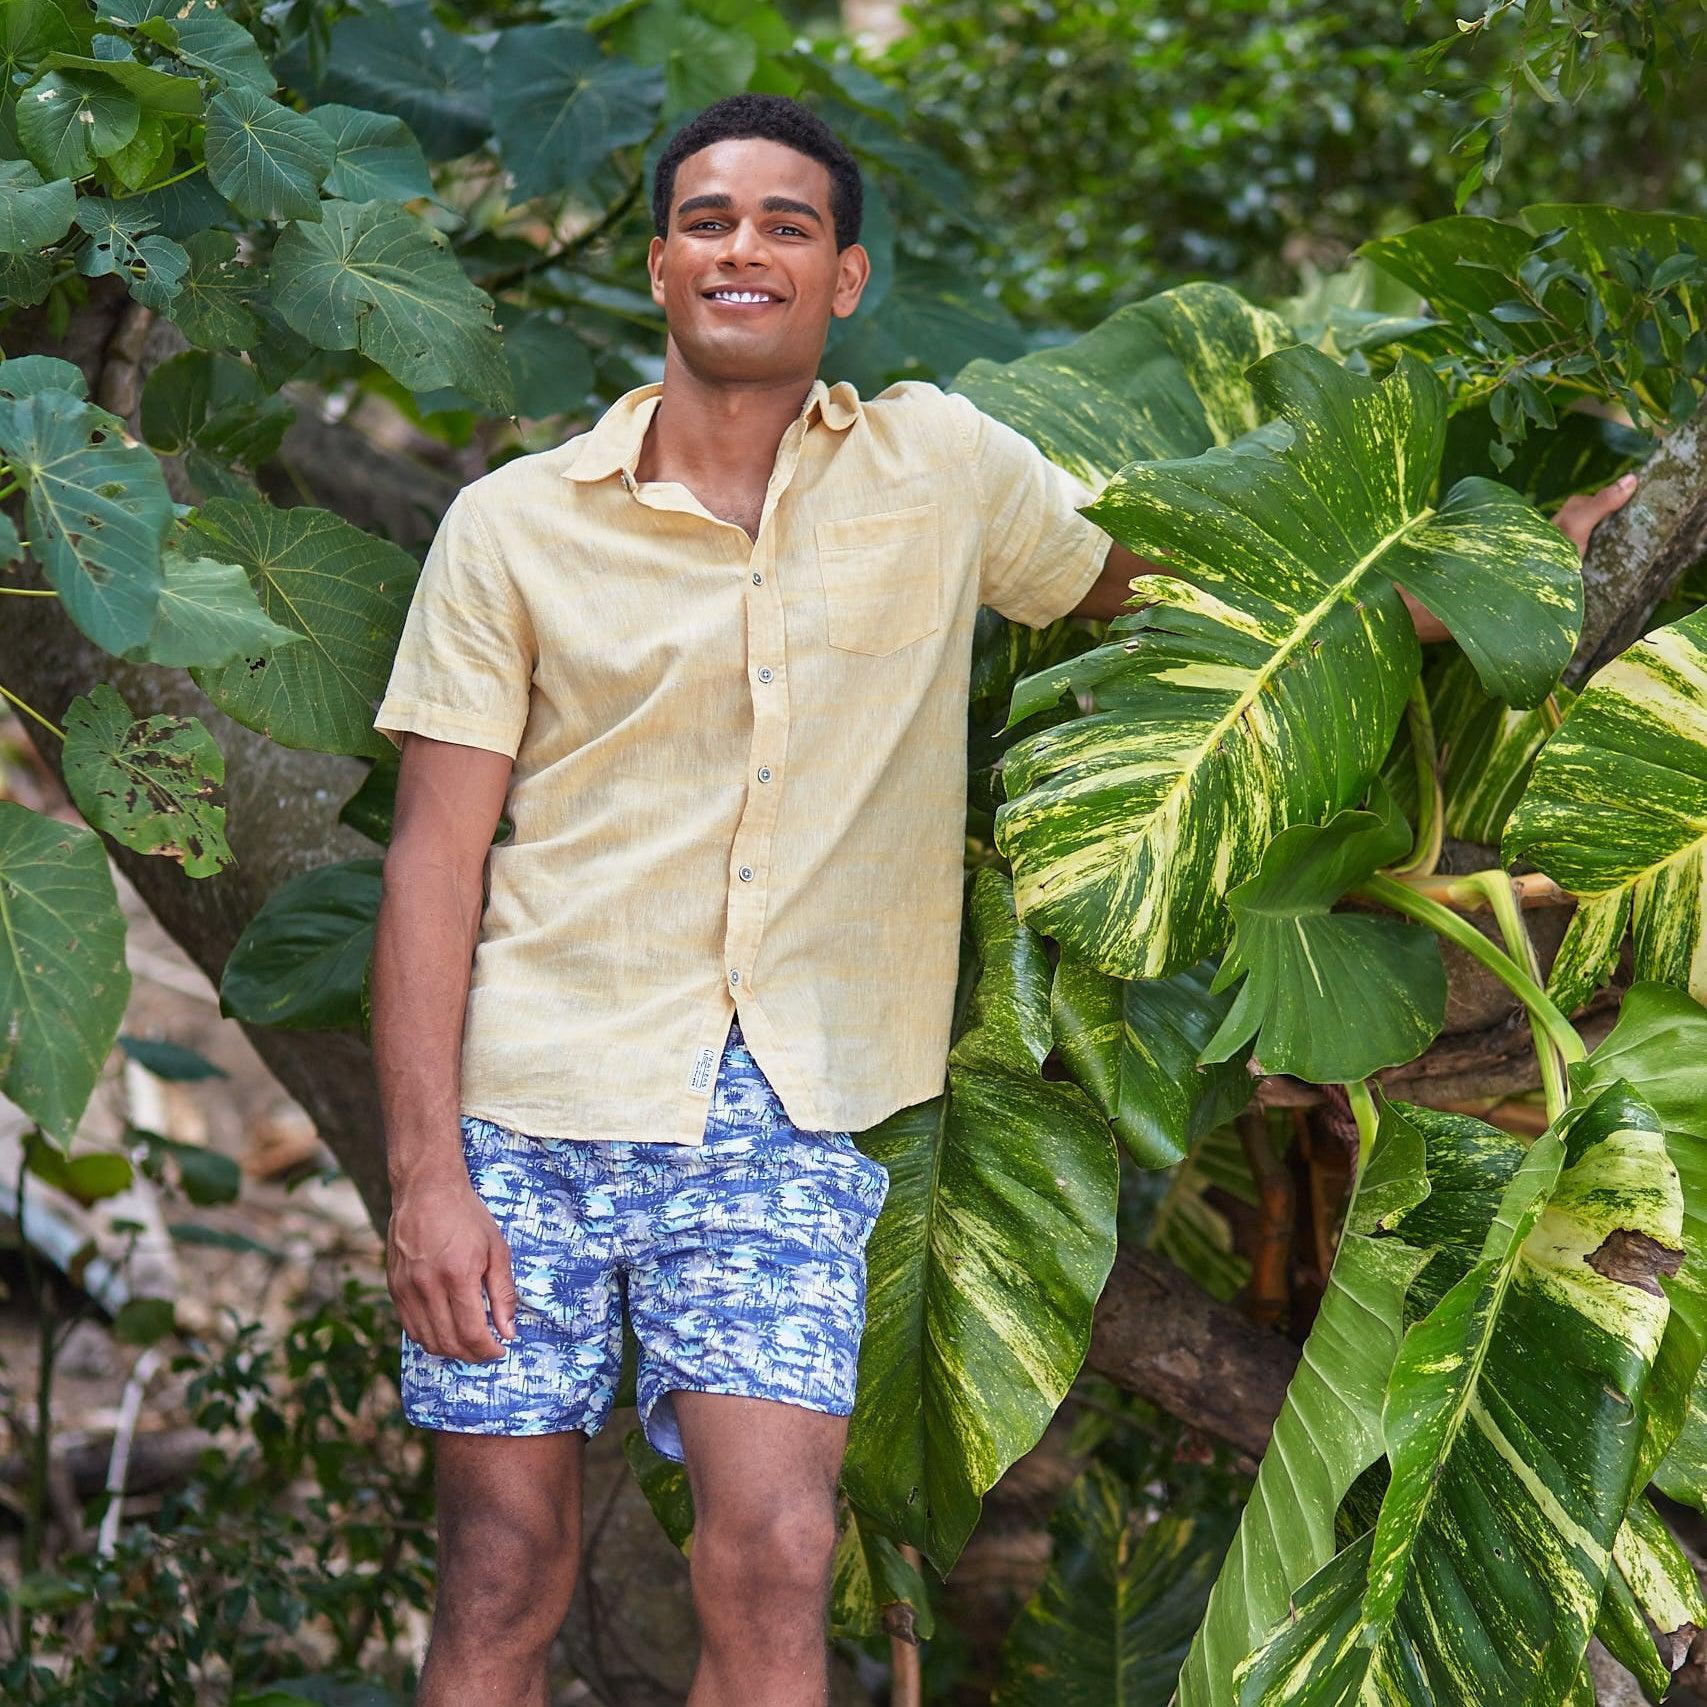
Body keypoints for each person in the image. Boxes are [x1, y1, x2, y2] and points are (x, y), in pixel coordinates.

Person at [367, 92, 1636, 1707]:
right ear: (659, 265)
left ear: (846, 278)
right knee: (498, 1572)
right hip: (530, 1106)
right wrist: (426, 1180)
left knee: (774, 1557)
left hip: (788, 1101)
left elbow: (1181, 592)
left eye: (785, 223)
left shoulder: (941, 469)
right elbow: (431, 860)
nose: (742, 246)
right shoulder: (516, 527)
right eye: (707, 219)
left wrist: (1504, 579)